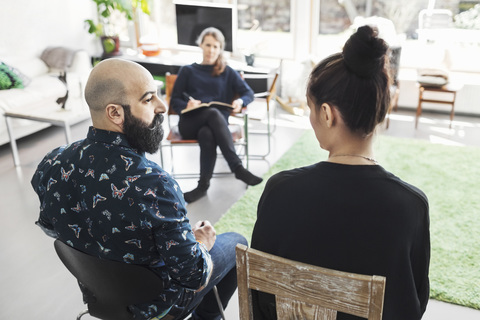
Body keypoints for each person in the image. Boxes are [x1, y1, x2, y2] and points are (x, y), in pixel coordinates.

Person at [31, 58, 247, 320]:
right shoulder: (156, 184)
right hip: (156, 306)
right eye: (148, 99)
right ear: (115, 113)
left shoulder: (52, 163)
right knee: (236, 242)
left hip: (99, 296)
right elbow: (194, 276)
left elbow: (51, 226)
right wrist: (200, 241)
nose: (162, 106)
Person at [250, 26, 430, 320]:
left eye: (310, 109)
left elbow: (260, 295)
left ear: (326, 114)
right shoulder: (411, 207)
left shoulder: (280, 190)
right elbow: (412, 307)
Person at [170, 27, 262, 203]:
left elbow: (248, 93)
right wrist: (187, 105)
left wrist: (240, 102)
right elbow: (174, 101)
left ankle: (202, 187)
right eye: (208, 45)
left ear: (220, 49)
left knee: (207, 133)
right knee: (212, 112)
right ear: (201, 45)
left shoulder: (227, 72)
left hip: (215, 128)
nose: (211, 50)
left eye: (215, 46)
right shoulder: (188, 71)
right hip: (189, 123)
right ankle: (237, 167)